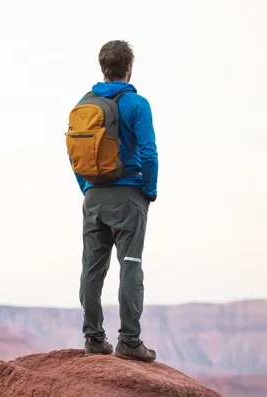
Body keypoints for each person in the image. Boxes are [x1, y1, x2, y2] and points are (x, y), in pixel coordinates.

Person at [74, 40, 158, 362]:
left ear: (103, 68)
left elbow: (74, 153)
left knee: (91, 269)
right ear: (129, 68)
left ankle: (93, 338)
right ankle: (130, 341)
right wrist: (148, 190)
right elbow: (149, 153)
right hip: (128, 195)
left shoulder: (84, 104)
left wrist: (86, 187)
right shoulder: (137, 104)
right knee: (131, 266)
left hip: (94, 196)